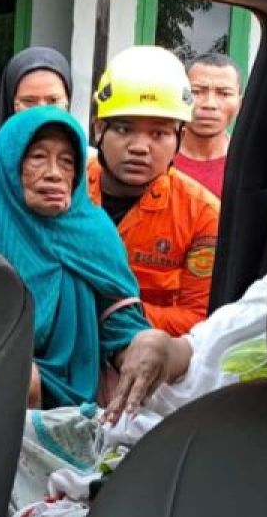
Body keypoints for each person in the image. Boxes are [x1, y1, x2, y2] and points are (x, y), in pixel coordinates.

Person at [0, 106, 191, 420]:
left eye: (67, 161)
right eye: (38, 157)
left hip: (76, 409)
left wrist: (144, 346)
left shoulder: (94, 233)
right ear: (8, 165)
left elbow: (120, 327)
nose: (54, 173)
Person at [88, 46, 221, 337]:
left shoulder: (202, 214)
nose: (139, 147)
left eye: (158, 133)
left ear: (179, 138)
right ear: (99, 129)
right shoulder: (67, 191)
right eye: (124, 129)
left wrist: (106, 315)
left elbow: (198, 318)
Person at [0, 46, 73, 168]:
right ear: (11, 105)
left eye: (53, 100)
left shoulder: (88, 165)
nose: (41, 113)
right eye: (29, 101)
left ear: (67, 102)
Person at [175, 51, 242, 198]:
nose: (209, 104)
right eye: (197, 92)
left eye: (224, 94)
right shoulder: (159, 159)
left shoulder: (248, 163)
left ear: (240, 103)